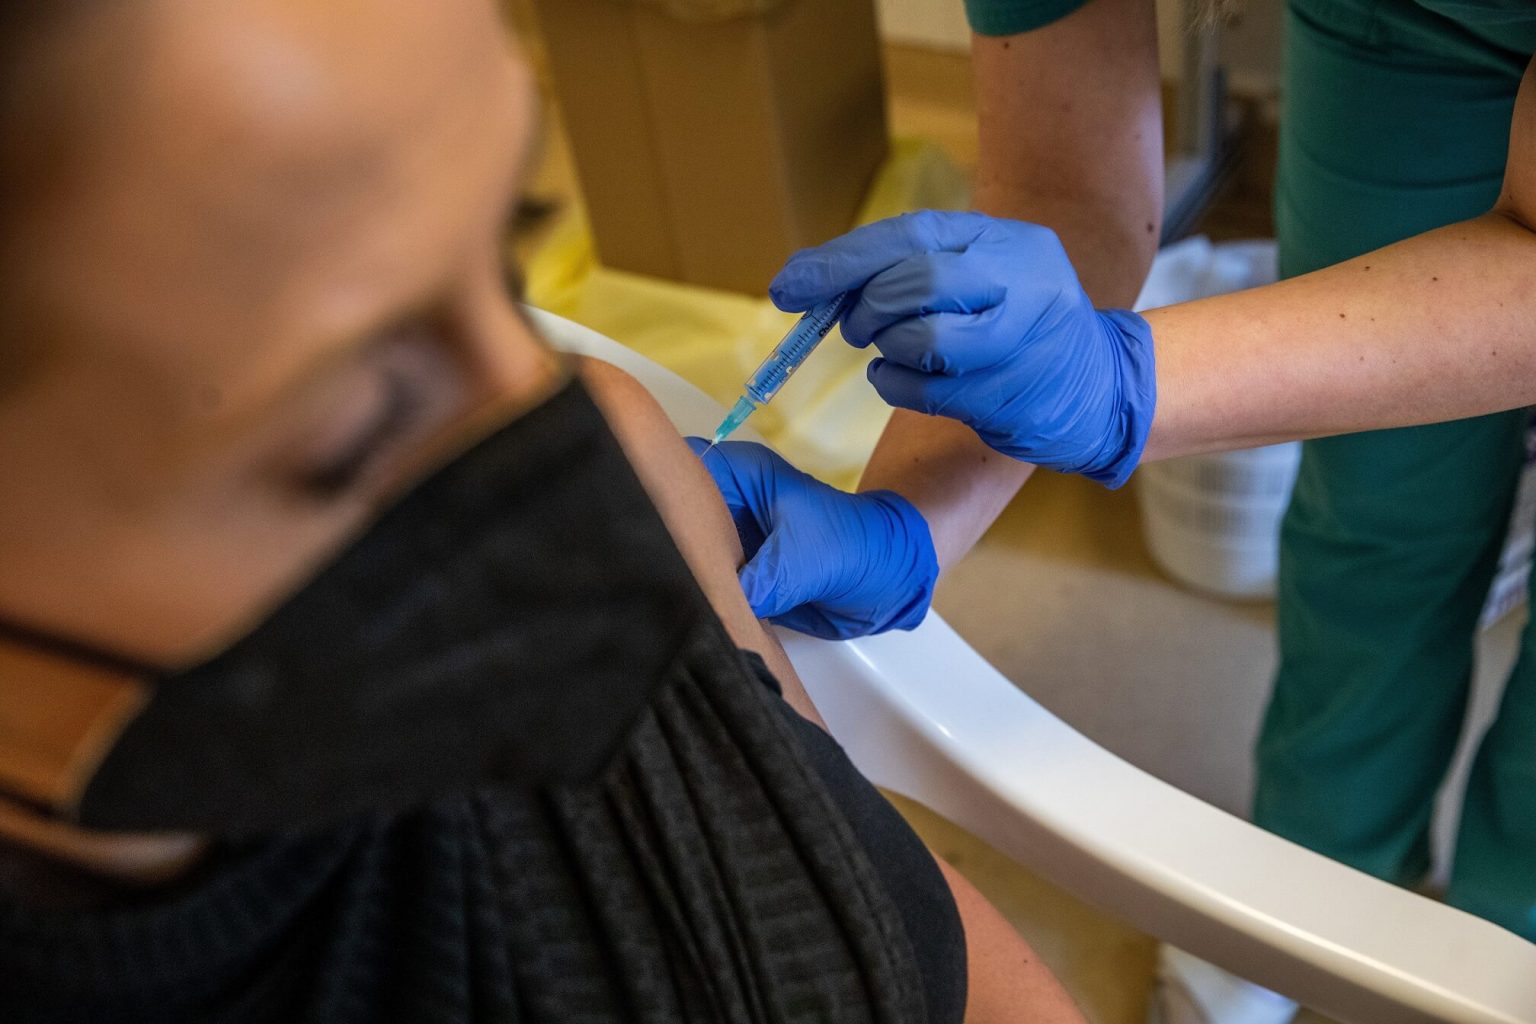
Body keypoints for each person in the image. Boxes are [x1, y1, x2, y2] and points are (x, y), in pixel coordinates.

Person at [0, 2, 1089, 1021]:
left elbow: (867, 903)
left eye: (502, 255)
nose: (564, 420)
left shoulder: (624, 473)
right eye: (353, 421)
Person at [695, 0, 1536, 1013]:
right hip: (1396, 28)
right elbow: (1063, 183)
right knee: (1376, 503)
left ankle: (1511, 934)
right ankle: (1318, 875)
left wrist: (1121, 383)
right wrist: (910, 524)